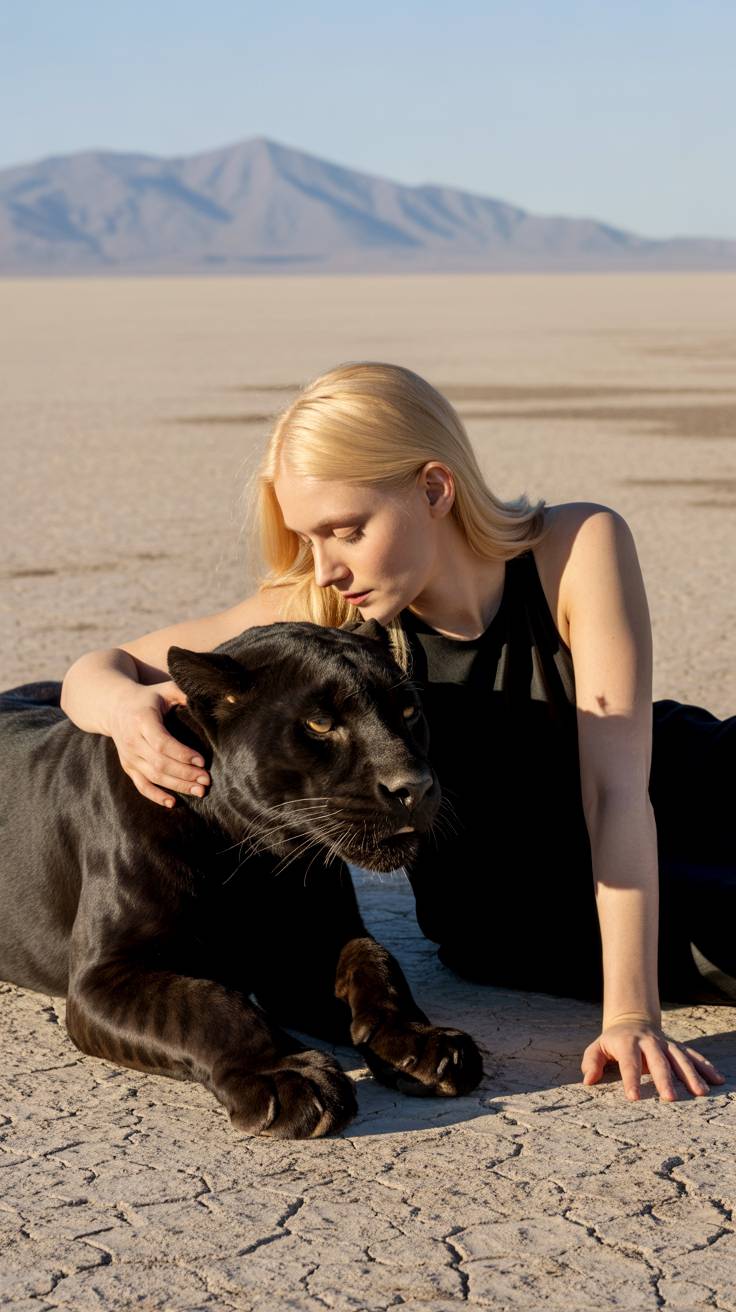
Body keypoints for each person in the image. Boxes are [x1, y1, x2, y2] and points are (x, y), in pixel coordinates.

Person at [57, 361, 732, 1103]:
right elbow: (95, 669)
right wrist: (125, 712)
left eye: (346, 531)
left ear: (435, 489)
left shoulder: (575, 544)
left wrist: (633, 1012)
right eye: (308, 538)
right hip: (535, 906)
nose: (326, 566)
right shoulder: (323, 606)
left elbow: (616, 791)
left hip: (670, 781)